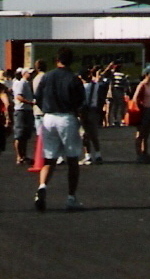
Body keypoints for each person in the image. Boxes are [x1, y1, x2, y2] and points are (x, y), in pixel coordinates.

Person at [33, 47, 87, 212]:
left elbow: (38, 98)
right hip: (66, 117)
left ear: (57, 60)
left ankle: (42, 186)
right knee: (72, 160)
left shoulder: (47, 76)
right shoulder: (74, 79)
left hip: (48, 118)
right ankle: (71, 198)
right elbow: (80, 102)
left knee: (49, 159)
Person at [132, 64, 150, 163]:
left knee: (146, 134)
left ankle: (145, 154)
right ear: (147, 74)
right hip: (143, 111)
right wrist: (140, 109)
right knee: (140, 134)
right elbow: (135, 98)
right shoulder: (142, 85)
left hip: (148, 110)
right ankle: (139, 155)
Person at [79, 68, 106, 165]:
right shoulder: (97, 86)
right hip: (94, 111)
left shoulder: (81, 87)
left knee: (84, 134)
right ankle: (98, 155)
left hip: (83, 112)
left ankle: (88, 155)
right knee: (94, 134)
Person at [11, 67, 36, 165]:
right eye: (29, 73)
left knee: (25, 135)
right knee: (19, 134)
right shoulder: (21, 83)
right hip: (21, 110)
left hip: (27, 110)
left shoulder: (28, 84)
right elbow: (18, 96)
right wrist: (30, 102)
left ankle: (24, 156)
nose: (31, 75)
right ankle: (19, 156)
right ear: (24, 73)